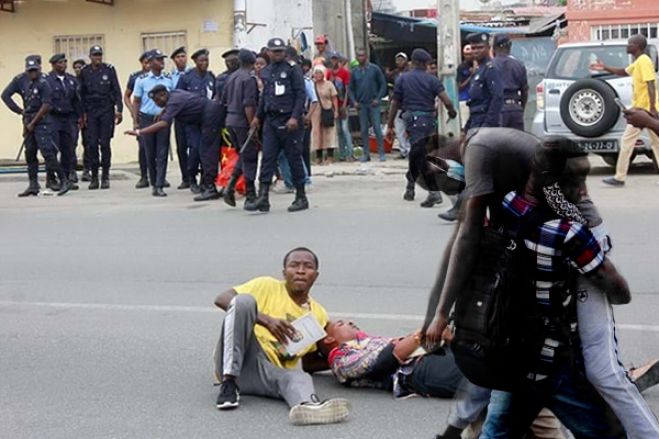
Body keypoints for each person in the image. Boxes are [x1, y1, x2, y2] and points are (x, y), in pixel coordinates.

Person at [478, 145, 630, 438]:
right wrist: (588, 217)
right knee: (606, 432)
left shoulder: (504, 205)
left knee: (497, 431)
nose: (583, 190)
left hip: (506, 346)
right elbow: (619, 292)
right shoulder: (566, 233)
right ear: (556, 185)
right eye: (576, 181)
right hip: (548, 358)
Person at [212, 247, 351, 425]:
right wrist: (267, 321)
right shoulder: (267, 285)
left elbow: (308, 363)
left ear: (315, 275)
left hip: (267, 373)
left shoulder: (318, 313)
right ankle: (229, 383)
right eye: (294, 265)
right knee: (243, 302)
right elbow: (222, 298)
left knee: (299, 376)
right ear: (285, 273)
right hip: (238, 357)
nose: (300, 270)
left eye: (307, 266)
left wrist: (343, 362)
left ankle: (308, 406)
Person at [124, 86, 224, 200]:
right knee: (202, 151)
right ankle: (208, 185)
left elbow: (164, 123)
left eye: (156, 100)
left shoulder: (174, 101)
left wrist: (140, 131)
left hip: (210, 116)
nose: (156, 104)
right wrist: (164, 110)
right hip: (205, 117)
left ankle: (211, 188)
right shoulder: (174, 95)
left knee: (207, 152)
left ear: (163, 95)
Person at [319, 320, 463, 399]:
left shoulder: (366, 342)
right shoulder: (341, 360)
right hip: (420, 370)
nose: (350, 322)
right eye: (340, 324)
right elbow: (386, 359)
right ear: (329, 339)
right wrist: (423, 334)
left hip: (433, 355)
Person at [386, 48, 457, 208]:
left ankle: (430, 191)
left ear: (412, 62)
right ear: (425, 64)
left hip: (413, 121)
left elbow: (395, 103)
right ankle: (413, 186)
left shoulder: (403, 79)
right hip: (429, 121)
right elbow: (447, 101)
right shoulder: (432, 80)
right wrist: (452, 113)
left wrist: (390, 125)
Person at [246, 37, 309, 213]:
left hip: (289, 121)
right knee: (267, 158)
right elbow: (265, 96)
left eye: (280, 51)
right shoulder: (267, 71)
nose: (277, 54)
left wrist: (296, 117)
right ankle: (263, 197)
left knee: (293, 158)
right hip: (271, 121)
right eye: (274, 51)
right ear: (268, 52)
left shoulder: (292, 70)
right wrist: (258, 117)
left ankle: (301, 196)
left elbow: (300, 94)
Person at [591, 34, 659, 186]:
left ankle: (619, 177)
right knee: (656, 144)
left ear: (638, 46)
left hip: (645, 111)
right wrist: (605, 67)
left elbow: (650, 84)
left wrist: (653, 108)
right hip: (641, 109)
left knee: (628, 141)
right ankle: (619, 177)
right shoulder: (638, 62)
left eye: (630, 43)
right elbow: (624, 71)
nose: (627, 46)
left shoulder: (644, 61)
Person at [2, 55, 72, 197]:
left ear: (39, 68)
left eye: (34, 70)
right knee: (30, 152)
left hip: (42, 121)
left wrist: (33, 122)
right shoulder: (20, 79)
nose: (32, 73)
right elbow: (5, 95)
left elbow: (47, 105)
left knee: (47, 152)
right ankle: (33, 184)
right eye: (29, 70)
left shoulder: (44, 82)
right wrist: (20, 112)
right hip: (28, 119)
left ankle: (63, 180)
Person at [79, 45, 123, 190]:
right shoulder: (85, 72)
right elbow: (80, 95)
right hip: (91, 111)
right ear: (90, 56)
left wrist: (119, 110)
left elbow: (117, 91)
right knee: (91, 144)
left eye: (99, 55)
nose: (97, 58)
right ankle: (94, 177)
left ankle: (105, 176)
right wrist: (82, 114)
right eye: (95, 55)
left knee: (105, 143)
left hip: (106, 110)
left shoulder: (109, 70)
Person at [131, 50, 173, 197]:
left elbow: (173, 99)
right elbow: (136, 101)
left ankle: (160, 184)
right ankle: (154, 182)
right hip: (146, 118)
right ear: (150, 62)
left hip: (163, 119)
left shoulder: (169, 79)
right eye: (158, 59)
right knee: (150, 153)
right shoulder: (141, 80)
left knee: (162, 152)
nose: (162, 62)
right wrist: (136, 121)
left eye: (162, 59)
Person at [221, 49, 259, 208]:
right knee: (250, 156)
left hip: (230, 120)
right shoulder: (248, 78)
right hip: (243, 121)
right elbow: (249, 104)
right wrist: (253, 124)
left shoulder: (231, 77)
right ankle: (250, 194)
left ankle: (230, 186)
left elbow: (223, 100)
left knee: (242, 155)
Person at [177, 48, 216, 194]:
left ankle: (205, 181)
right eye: (201, 60)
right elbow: (178, 97)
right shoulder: (187, 78)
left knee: (207, 152)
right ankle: (191, 178)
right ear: (195, 62)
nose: (204, 63)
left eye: (206, 60)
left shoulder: (211, 77)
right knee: (195, 149)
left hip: (208, 120)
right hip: (192, 121)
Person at [46, 53, 81, 191]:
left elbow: (76, 100)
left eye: (65, 62)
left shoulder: (71, 80)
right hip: (53, 118)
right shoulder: (47, 80)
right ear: (53, 65)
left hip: (68, 118)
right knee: (52, 150)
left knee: (68, 150)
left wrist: (79, 117)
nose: (63, 65)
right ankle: (51, 179)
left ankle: (65, 179)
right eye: (60, 63)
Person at [349, 49, 388, 162]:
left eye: (362, 55)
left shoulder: (374, 69)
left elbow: (383, 84)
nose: (360, 58)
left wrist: (378, 98)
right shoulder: (354, 72)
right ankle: (366, 153)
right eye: (358, 56)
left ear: (366, 56)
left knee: (376, 128)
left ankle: (381, 153)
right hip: (361, 104)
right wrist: (354, 101)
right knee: (364, 129)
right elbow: (350, 89)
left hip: (373, 103)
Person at [463, 33, 503, 131]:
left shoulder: (490, 69)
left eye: (480, 48)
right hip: (476, 120)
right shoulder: (478, 70)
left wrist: (487, 125)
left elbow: (497, 97)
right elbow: (474, 103)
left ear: (488, 48)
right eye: (473, 48)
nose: (476, 51)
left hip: (485, 123)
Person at [124, 51, 150, 189]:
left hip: (156, 116)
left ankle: (158, 176)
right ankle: (144, 176)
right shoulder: (136, 78)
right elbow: (127, 96)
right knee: (143, 147)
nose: (148, 65)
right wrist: (132, 111)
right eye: (145, 62)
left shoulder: (159, 76)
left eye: (149, 62)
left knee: (158, 148)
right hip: (140, 116)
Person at [492, 34, 528, 131]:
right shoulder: (519, 65)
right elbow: (525, 91)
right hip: (515, 109)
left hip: (498, 109)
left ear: (493, 48)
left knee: (498, 143)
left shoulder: (490, 66)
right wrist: (520, 109)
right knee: (517, 143)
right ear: (510, 46)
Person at [170, 46, 192, 190]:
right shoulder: (170, 77)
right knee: (181, 147)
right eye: (178, 57)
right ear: (173, 60)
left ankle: (200, 176)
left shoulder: (193, 74)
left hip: (193, 116)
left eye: (183, 56)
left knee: (196, 147)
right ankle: (186, 178)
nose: (181, 59)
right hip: (179, 116)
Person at [310, 64, 338, 165]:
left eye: (320, 73)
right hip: (315, 111)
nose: (317, 75)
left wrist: (336, 111)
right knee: (317, 133)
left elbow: (334, 98)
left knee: (329, 132)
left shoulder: (329, 84)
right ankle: (318, 157)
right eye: (316, 73)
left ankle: (330, 156)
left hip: (327, 109)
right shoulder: (311, 85)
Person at [329, 52, 353, 161]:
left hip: (343, 103)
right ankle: (342, 154)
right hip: (334, 105)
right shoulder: (329, 73)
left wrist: (344, 104)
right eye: (332, 59)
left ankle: (350, 153)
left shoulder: (344, 73)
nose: (334, 61)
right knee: (338, 130)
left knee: (345, 129)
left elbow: (347, 89)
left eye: (335, 59)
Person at [386, 52, 411, 159]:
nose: (400, 62)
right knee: (399, 129)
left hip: (408, 105)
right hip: (397, 105)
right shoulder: (395, 74)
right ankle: (403, 151)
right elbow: (389, 83)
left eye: (402, 59)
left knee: (409, 129)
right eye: (398, 60)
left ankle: (410, 150)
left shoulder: (410, 73)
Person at [72, 58, 89, 183]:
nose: (78, 69)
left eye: (80, 67)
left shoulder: (89, 81)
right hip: (73, 116)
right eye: (76, 67)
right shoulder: (71, 81)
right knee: (71, 144)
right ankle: (71, 170)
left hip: (88, 115)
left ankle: (87, 170)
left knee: (88, 143)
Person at [457, 45, 475, 128]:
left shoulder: (477, 65)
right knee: (465, 124)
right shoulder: (461, 67)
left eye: (470, 54)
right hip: (464, 98)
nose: (469, 56)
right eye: (466, 54)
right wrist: (471, 76)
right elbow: (459, 86)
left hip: (475, 99)